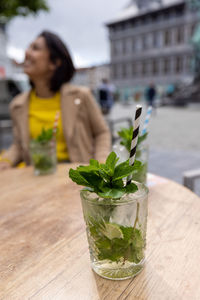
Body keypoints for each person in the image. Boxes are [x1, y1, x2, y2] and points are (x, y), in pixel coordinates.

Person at [0, 31, 111, 170]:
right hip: (38, 178)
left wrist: (100, 163)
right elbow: (18, 145)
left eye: (35, 48)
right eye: (28, 47)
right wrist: (5, 161)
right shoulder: (17, 105)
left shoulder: (81, 96)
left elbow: (102, 132)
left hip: (79, 178)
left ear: (54, 63)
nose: (27, 52)